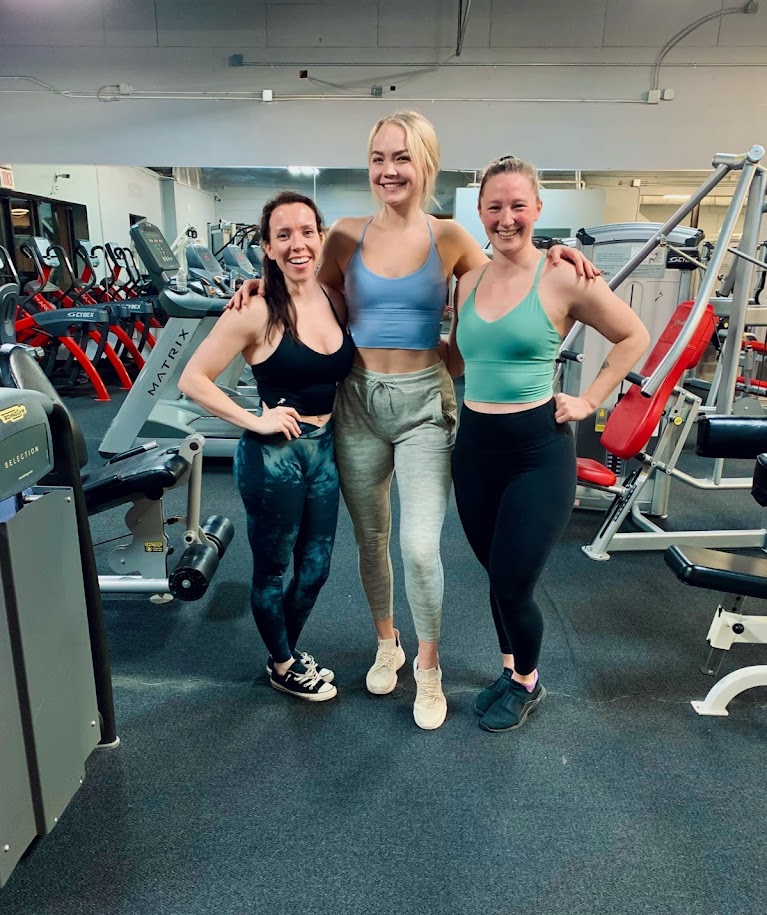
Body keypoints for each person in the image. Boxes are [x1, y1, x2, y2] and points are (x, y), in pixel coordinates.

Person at [233, 111, 598, 731]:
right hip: (358, 403)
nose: (388, 170)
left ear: (425, 163)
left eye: (401, 157)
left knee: (421, 547)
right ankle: (389, 644)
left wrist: (555, 253)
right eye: (378, 158)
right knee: (371, 539)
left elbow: (510, 272)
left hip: (426, 403)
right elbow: (302, 291)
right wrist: (255, 284)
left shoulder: (451, 237)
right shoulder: (344, 236)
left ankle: (428, 667)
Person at [448, 155, 650, 734]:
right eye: (494, 207)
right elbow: (459, 356)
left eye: (518, 205)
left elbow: (633, 335)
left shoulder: (562, 274)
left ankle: (528, 681)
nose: (506, 218)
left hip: (537, 453)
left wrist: (590, 401)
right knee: (495, 575)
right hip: (475, 450)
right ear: (480, 212)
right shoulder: (468, 280)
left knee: (514, 583)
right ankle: (508, 669)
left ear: (537, 208)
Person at [179, 191, 355, 702]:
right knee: (274, 570)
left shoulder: (334, 297)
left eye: (307, 232)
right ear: (268, 247)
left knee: (316, 569)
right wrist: (255, 419)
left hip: (324, 452)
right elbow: (194, 379)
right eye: (284, 235)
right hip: (273, 459)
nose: (298, 244)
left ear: (320, 238)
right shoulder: (255, 309)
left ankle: (286, 652)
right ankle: (283, 664)